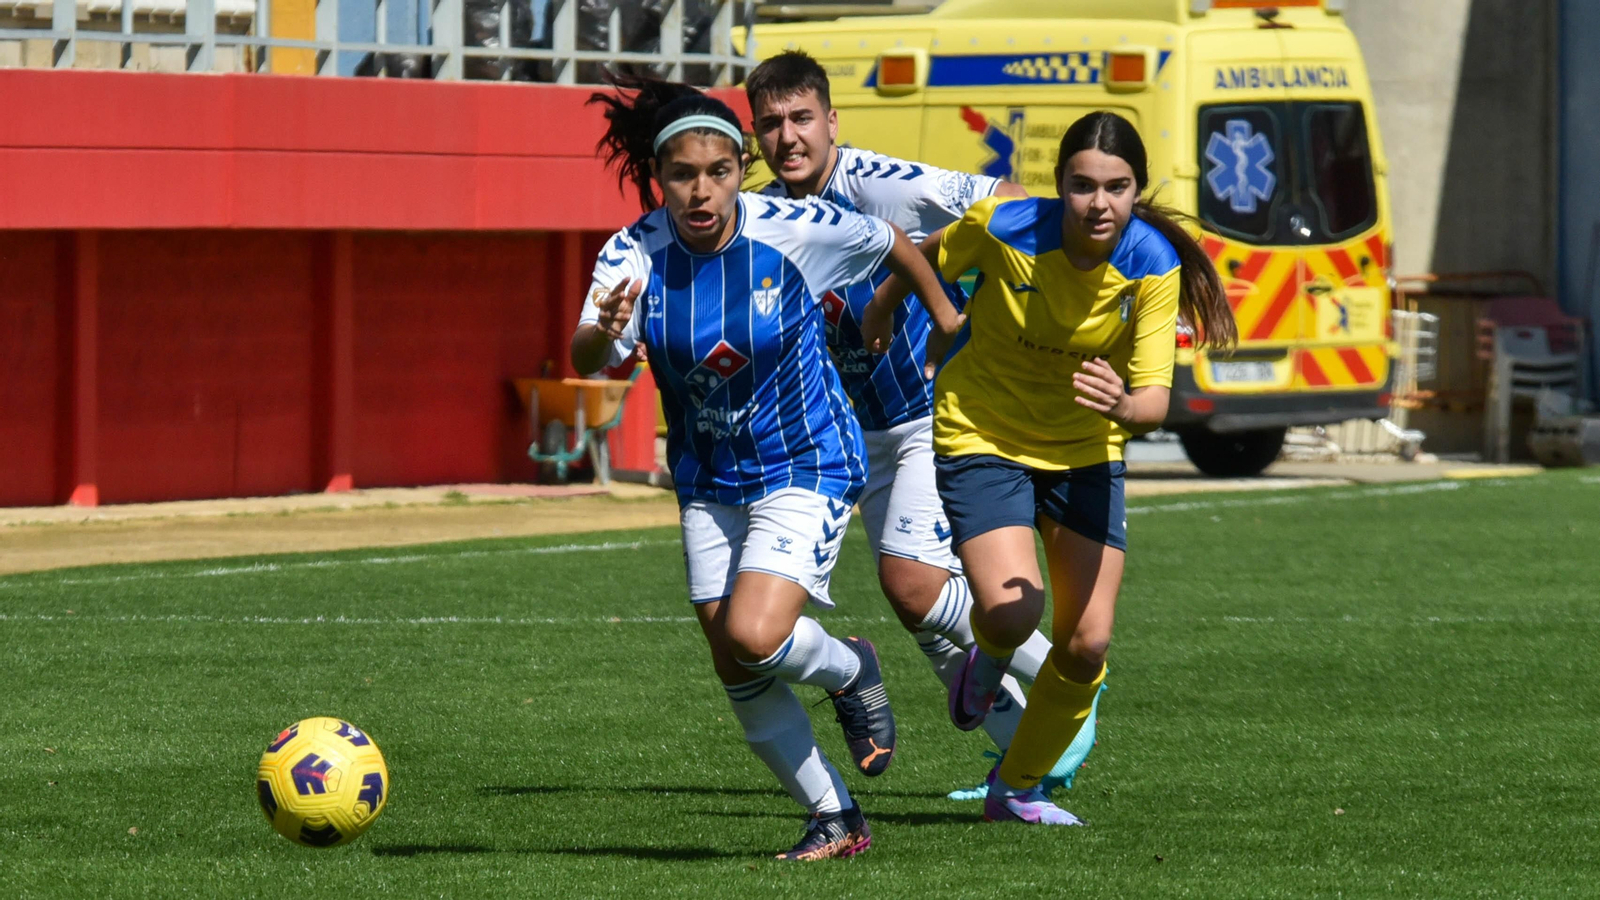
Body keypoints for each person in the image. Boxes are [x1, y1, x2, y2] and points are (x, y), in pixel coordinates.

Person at [574, 72, 963, 858]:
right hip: (708, 475)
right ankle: (835, 818)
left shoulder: (791, 226)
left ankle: (850, 668)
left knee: (755, 633)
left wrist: (942, 317)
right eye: (683, 175)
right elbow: (588, 357)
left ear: (740, 168)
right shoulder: (632, 252)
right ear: (659, 178)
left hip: (806, 459)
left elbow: (892, 241)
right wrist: (603, 329)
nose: (701, 191)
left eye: (718, 171)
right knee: (735, 659)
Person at [743, 50, 1105, 800]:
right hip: (852, 435)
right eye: (771, 124)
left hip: (931, 415)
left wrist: (982, 302)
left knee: (912, 586)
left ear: (831, 121)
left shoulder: (877, 185)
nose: (788, 137)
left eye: (802, 118)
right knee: (923, 615)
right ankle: (1029, 762)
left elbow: (1010, 202)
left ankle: (1066, 676)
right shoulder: (763, 214)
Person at [878, 110, 1237, 824]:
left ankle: (1015, 789)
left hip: (1086, 449)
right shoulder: (1005, 226)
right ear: (1059, 184)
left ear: (1137, 190)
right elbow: (927, 253)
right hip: (984, 431)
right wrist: (884, 308)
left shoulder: (1151, 263)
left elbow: (1154, 401)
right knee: (1015, 612)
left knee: (1087, 643)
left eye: (1116, 187)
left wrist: (1123, 405)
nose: (1098, 203)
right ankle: (990, 653)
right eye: (1082, 185)